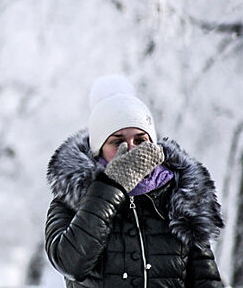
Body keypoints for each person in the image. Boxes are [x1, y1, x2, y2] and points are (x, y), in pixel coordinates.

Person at [44, 75, 224, 288]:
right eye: (117, 141)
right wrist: (111, 186)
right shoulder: (71, 198)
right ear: (98, 149)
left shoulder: (180, 196)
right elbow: (70, 263)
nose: (131, 148)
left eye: (140, 140)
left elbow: (205, 279)